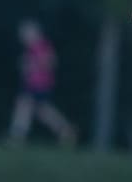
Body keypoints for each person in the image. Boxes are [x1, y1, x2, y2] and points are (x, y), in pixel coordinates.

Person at [6, 18, 78, 146]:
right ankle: (66, 130)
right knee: (42, 112)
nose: (23, 37)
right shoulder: (33, 48)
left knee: (24, 106)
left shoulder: (41, 46)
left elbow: (51, 62)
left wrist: (31, 65)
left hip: (39, 84)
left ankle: (16, 137)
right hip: (35, 84)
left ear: (35, 33)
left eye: (26, 33)